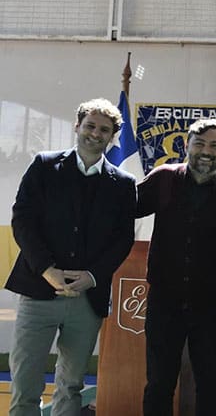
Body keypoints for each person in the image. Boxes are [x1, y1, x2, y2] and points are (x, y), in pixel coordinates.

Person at [6, 98, 136, 416]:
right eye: (90, 125)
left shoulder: (123, 184)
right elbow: (22, 219)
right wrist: (46, 269)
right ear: (77, 126)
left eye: (104, 129)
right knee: (25, 384)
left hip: (86, 300)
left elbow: (122, 239)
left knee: (71, 387)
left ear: (112, 137)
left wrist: (91, 276)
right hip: (38, 292)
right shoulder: (44, 166)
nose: (95, 133)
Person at [137, 118, 216, 416]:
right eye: (199, 143)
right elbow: (122, 208)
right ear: (187, 146)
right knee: (158, 383)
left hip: (212, 306)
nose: (206, 151)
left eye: (214, 145)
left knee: (210, 384)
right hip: (164, 302)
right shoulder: (163, 179)